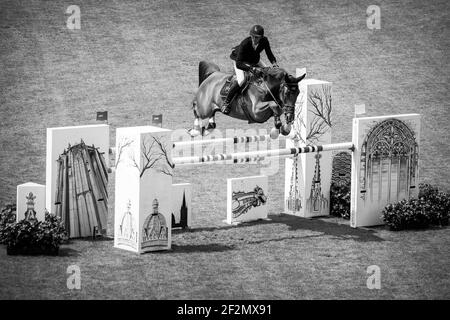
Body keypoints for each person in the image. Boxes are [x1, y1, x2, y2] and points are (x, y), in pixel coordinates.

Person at [222, 25, 279, 114]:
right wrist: (252, 69)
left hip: (253, 59)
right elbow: (239, 63)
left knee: (267, 73)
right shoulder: (245, 43)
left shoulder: (264, 41)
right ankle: (226, 102)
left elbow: (269, 53)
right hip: (240, 60)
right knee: (241, 80)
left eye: (256, 37)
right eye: (252, 36)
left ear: (261, 37)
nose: (254, 39)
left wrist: (274, 64)